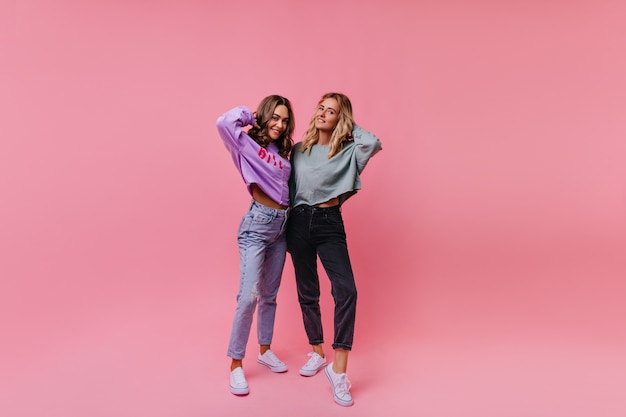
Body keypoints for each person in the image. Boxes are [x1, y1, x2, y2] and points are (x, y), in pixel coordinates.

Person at [286, 92, 382, 406]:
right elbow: (288, 191)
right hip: (298, 222)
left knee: (346, 290)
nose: (323, 114)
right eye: (321, 108)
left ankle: (338, 372)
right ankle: (316, 351)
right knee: (307, 291)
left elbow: (372, 142)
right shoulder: (299, 150)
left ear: (341, 119)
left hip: (329, 223)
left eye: (332, 112)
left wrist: (347, 121)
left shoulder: (349, 151)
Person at [216, 95, 295, 396]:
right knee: (248, 296)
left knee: (269, 295)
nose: (280, 124)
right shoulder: (245, 144)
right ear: (264, 116)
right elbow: (223, 121)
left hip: (281, 226)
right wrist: (252, 117)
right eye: (274, 117)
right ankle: (236, 364)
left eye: (285, 120)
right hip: (257, 226)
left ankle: (265, 350)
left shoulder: (282, 151)